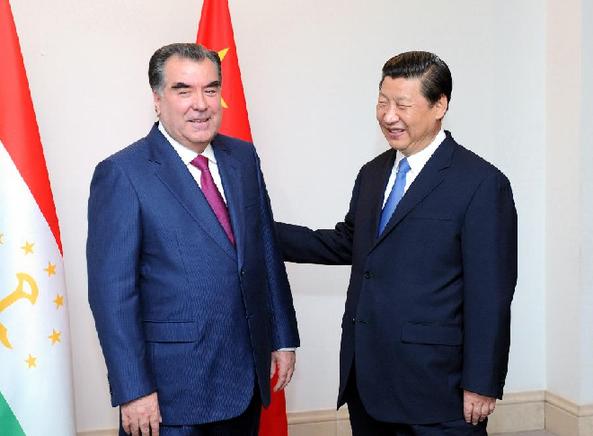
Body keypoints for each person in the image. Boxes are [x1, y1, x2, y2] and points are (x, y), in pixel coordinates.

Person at [276, 51, 517, 435]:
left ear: (440, 105)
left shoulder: (481, 183)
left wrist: (483, 381)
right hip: (368, 382)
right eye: (383, 102)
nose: (389, 116)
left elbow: (491, 294)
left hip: (438, 390)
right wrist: (258, 231)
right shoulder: (372, 174)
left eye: (403, 104)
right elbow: (349, 243)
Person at [87, 43, 299, 436]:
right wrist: (134, 390)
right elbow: (113, 295)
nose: (200, 104)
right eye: (183, 90)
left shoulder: (243, 158)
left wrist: (283, 337)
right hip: (171, 394)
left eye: (211, 89)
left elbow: (265, 250)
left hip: (245, 379)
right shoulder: (123, 174)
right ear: (157, 99)